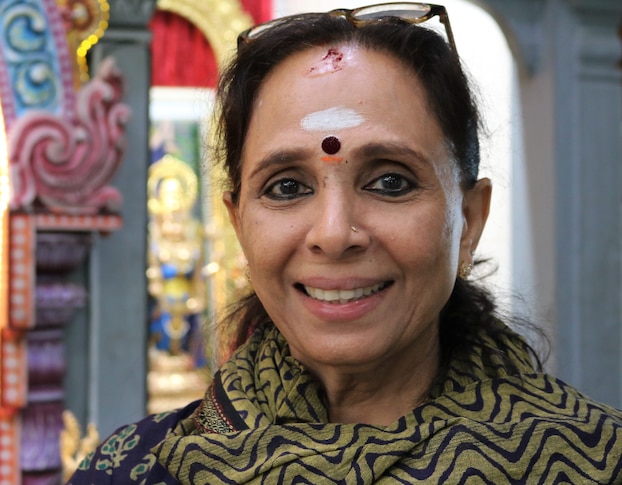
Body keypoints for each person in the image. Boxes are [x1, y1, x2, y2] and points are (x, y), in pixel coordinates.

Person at [68, 3, 622, 483]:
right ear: (238, 226)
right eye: (287, 187)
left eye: (391, 182)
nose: (334, 234)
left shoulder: (596, 461)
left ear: (469, 220)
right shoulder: (135, 469)